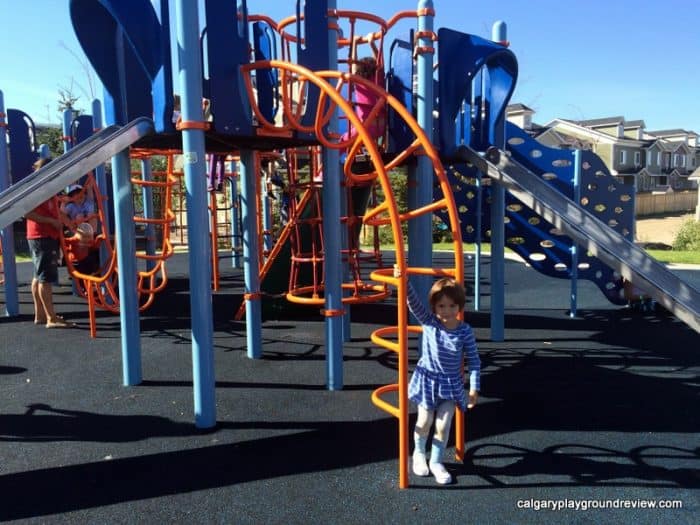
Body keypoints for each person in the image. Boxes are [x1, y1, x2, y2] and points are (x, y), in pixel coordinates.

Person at [394, 266, 481, 485]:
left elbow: (474, 361)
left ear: (459, 306)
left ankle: (436, 461)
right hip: (428, 381)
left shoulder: (465, 331)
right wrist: (404, 281)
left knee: (443, 424)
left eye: (452, 306)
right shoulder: (430, 322)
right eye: (441, 306)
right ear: (434, 307)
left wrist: (473, 388)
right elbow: (413, 303)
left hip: (451, 385)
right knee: (424, 421)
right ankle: (419, 453)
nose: (447, 311)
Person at [25, 158, 75, 328]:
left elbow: (56, 213)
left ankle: (40, 314)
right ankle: (51, 318)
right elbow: (28, 213)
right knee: (45, 278)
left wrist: (70, 225)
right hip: (41, 236)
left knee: (37, 276)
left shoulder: (49, 189)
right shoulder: (39, 189)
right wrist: (50, 222)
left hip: (44, 236)